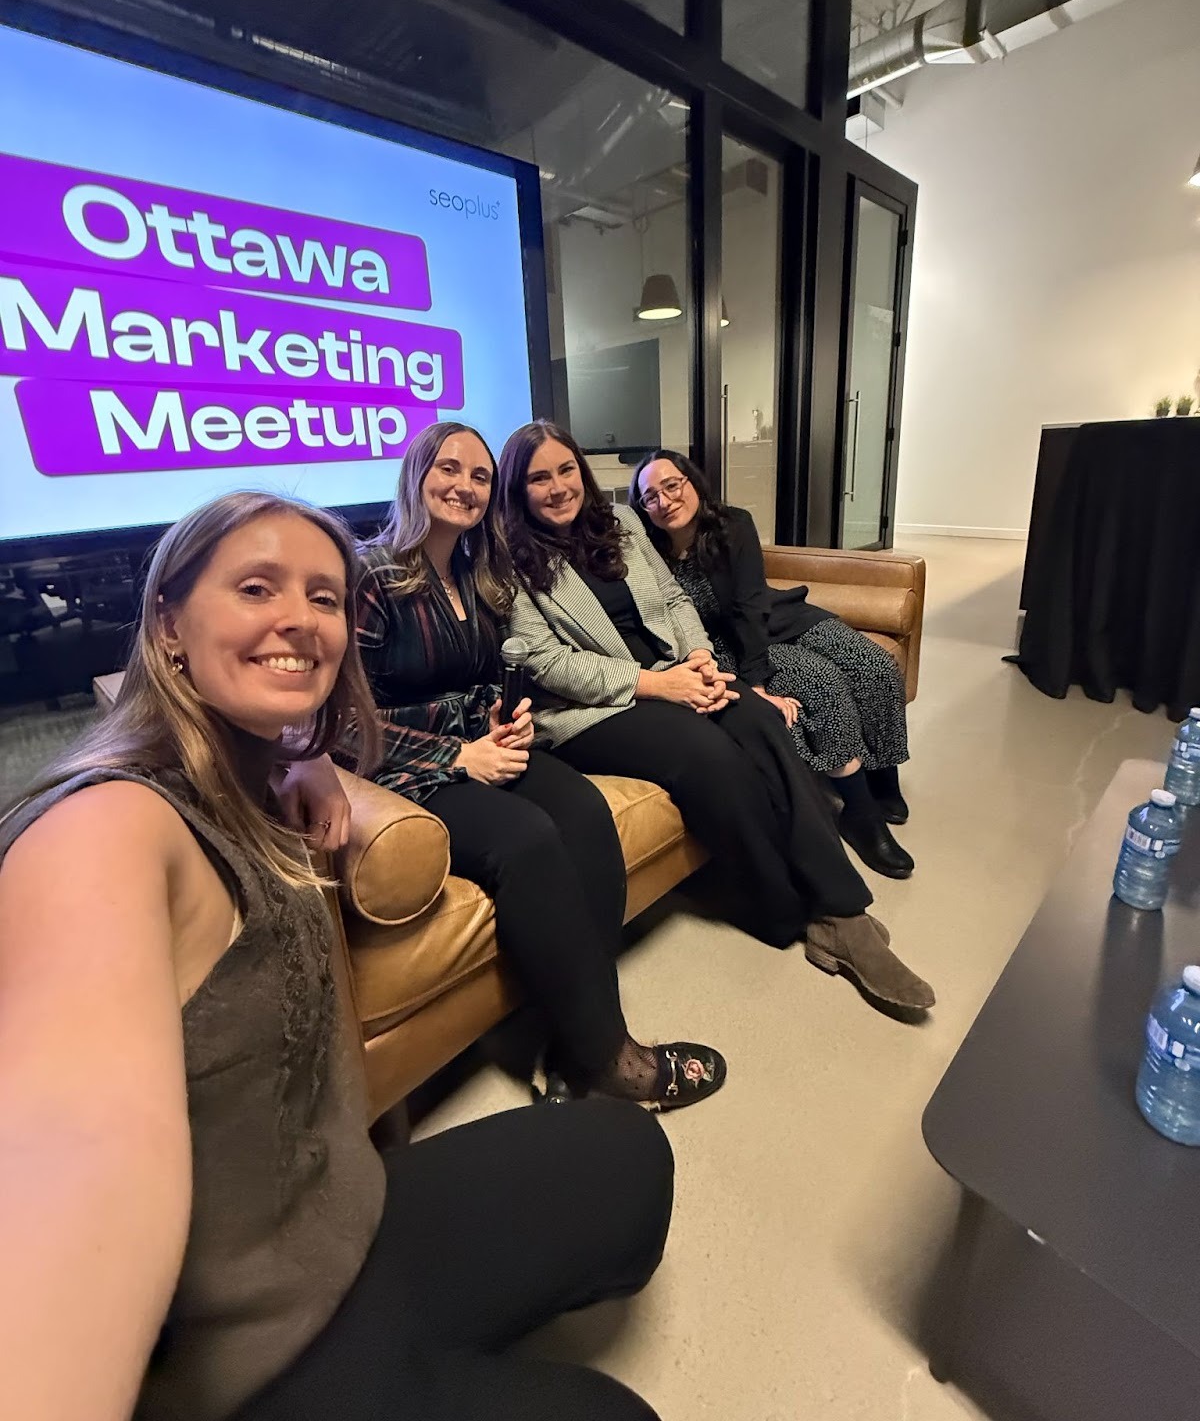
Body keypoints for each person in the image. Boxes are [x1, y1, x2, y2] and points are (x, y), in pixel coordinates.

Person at [0, 489, 676, 1421]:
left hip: (339, 1217)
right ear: (167, 626)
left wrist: (301, 757)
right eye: (255, 587)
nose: (299, 620)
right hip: (250, 1361)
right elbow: (76, 1170)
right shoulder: (99, 833)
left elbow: (297, 731)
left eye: (323, 598)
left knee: (629, 1158)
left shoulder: (251, 766)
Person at [496, 421, 934, 1018]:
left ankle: (842, 911)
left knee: (758, 720)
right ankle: (785, 912)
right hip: (595, 708)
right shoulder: (510, 558)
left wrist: (698, 658)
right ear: (517, 490)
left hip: (675, 669)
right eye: (537, 478)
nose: (557, 487)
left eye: (565, 470)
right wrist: (657, 684)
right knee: (709, 754)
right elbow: (546, 661)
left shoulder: (621, 524)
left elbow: (674, 600)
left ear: (582, 470)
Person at [356, 420, 725, 1110]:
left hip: (485, 746)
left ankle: (571, 1032)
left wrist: (506, 716)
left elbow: (498, 673)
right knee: (528, 842)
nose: (464, 485)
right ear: (414, 474)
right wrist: (458, 754)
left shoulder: (475, 571)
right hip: (404, 773)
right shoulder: (370, 574)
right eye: (449, 468)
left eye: (479, 476)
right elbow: (341, 718)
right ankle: (612, 1061)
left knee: (585, 814)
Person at [629, 450, 914, 880]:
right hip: (723, 646)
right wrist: (757, 682)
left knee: (872, 663)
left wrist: (758, 678)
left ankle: (883, 776)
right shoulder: (648, 551)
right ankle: (859, 814)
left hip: (769, 619)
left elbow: (749, 605)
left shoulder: (732, 524)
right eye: (651, 496)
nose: (665, 500)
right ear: (643, 509)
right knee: (821, 682)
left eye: (673, 485)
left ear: (692, 483)